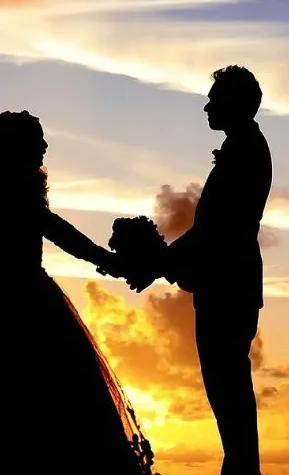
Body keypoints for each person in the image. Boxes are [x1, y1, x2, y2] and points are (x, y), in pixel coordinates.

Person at [3, 109, 153, 474]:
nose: (44, 145)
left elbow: (57, 230)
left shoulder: (21, 187)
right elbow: (58, 231)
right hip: (23, 302)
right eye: (36, 139)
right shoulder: (13, 190)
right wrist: (111, 261)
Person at [163, 66, 273, 475]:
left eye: (214, 99)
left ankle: (243, 470)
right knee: (226, 387)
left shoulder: (245, 152)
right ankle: (241, 467)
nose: (207, 106)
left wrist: (162, 259)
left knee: (228, 386)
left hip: (229, 284)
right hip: (226, 283)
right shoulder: (243, 147)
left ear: (235, 105)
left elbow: (217, 230)